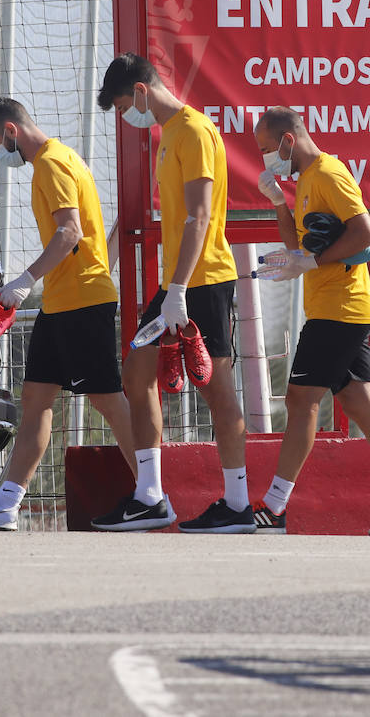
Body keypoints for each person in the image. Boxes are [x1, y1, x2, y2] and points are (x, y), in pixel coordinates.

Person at [248, 107, 370, 536]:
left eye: (266, 149)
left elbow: (366, 234)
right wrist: (279, 203)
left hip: (341, 307)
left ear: (287, 141)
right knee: (360, 405)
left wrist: (313, 260)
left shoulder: (329, 173)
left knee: (301, 400)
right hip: (336, 307)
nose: (264, 158)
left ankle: (275, 507)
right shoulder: (306, 181)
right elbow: (298, 248)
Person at [0, 97, 136, 531]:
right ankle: (5, 504)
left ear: (12, 130)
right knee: (35, 400)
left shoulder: (51, 163)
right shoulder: (61, 158)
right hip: (60, 301)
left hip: (82, 300)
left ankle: (153, 492)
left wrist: (24, 280)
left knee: (108, 400)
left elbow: (71, 231)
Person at [91, 52, 253, 534]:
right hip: (176, 285)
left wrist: (179, 288)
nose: (125, 118)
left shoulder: (195, 130)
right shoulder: (167, 137)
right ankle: (150, 496)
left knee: (217, 391)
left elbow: (199, 216)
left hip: (203, 282)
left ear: (141, 91)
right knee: (136, 374)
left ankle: (239, 504)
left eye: (123, 107)